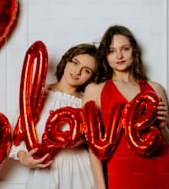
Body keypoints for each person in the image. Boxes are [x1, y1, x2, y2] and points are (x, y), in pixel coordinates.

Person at [83, 25, 169, 189]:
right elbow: (93, 147)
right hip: (120, 173)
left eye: (125, 49)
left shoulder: (155, 88)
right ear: (105, 55)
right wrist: (100, 186)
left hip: (159, 170)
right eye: (111, 51)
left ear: (134, 50)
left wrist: (162, 128)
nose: (119, 55)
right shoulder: (95, 90)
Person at [10, 43, 102, 189]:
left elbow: (94, 142)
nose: (77, 72)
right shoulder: (38, 94)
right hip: (43, 170)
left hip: (78, 171)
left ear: (91, 77)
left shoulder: (86, 102)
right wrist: (22, 157)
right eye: (75, 63)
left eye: (86, 70)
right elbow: (19, 130)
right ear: (66, 60)